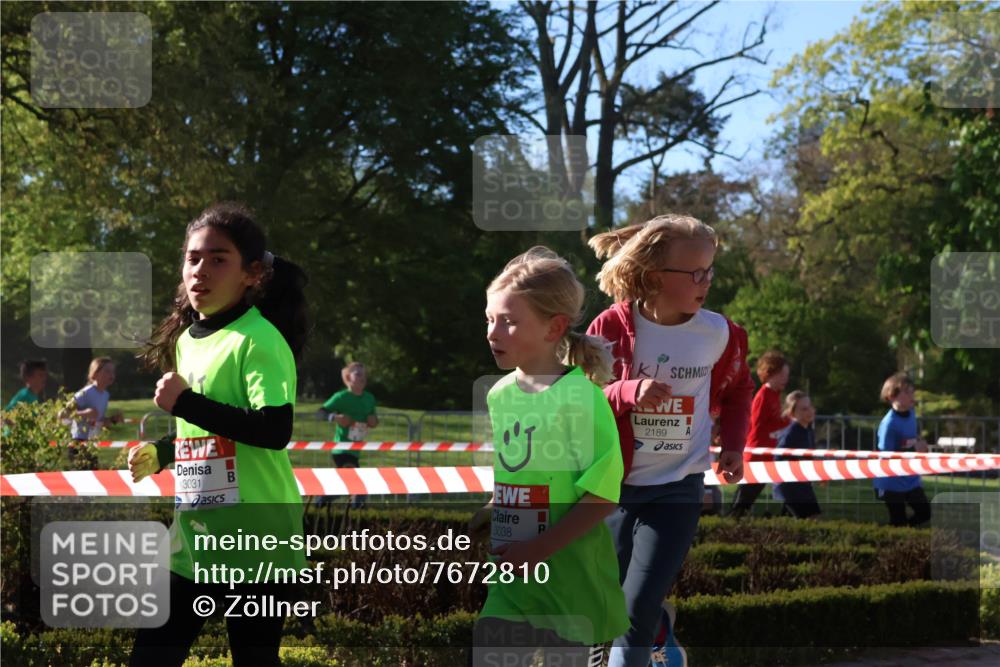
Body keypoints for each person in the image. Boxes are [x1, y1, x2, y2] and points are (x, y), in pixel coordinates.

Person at [127, 202, 309, 667]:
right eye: (192, 258)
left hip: (256, 539)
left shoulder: (260, 341)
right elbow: (211, 431)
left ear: (251, 274)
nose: (200, 271)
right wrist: (164, 452)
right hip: (195, 535)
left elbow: (273, 430)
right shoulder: (188, 340)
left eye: (218, 259)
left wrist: (185, 402)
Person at [586, 214, 753, 667]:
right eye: (694, 273)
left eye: (710, 271)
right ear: (656, 276)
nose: (706, 283)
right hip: (614, 489)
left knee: (634, 611)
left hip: (679, 486)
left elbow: (740, 389)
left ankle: (644, 636)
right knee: (611, 598)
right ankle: (662, 631)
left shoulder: (718, 332)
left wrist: (735, 444)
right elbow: (582, 398)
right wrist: (628, 390)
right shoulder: (610, 328)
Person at [468, 246, 627, 667]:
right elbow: (519, 472)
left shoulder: (583, 400)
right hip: (511, 580)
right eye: (489, 319)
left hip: (573, 590)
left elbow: (602, 495)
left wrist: (540, 548)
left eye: (509, 321)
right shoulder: (500, 394)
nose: (492, 332)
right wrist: (493, 507)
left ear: (554, 327)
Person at [729, 351, 791, 518]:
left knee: (749, 498)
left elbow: (770, 423)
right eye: (783, 375)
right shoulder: (763, 396)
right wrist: (787, 420)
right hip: (757, 454)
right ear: (771, 373)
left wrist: (785, 420)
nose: (786, 379)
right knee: (744, 500)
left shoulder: (774, 395)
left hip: (766, 453)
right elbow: (758, 426)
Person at [873, 372, 931, 527]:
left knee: (925, 512)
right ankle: (889, 540)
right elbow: (887, 457)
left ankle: (904, 535)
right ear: (891, 396)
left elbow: (909, 438)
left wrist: (919, 443)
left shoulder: (911, 413)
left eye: (912, 391)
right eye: (906, 392)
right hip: (890, 482)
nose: (912, 395)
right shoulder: (889, 424)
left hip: (910, 480)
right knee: (898, 520)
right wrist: (913, 450)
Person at [319, 361, 378, 508]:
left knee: (341, 485)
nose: (362, 377)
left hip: (356, 450)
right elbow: (320, 413)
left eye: (364, 374)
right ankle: (356, 520)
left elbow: (373, 419)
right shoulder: (341, 397)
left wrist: (373, 421)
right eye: (358, 374)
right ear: (347, 377)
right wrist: (335, 417)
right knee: (359, 488)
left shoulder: (369, 398)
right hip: (342, 449)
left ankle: (320, 504)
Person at [65, 357, 123, 468]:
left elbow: (99, 421)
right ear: (94, 374)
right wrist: (85, 413)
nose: (111, 374)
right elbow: (62, 414)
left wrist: (113, 419)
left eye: (113, 371)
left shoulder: (105, 395)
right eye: (107, 371)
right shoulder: (86, 392)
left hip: (92, 444)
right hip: (78, 443)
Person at [772, 390, 822, 519]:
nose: (810, 411)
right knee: (812, 518)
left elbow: (809, 456)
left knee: (791, 523)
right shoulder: (791, 433)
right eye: (804, 409)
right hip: (790, 486)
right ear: (791, 412)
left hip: (802, 484)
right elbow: (778, 457)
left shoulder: (808, 430)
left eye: (810, 407)